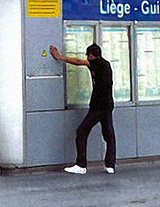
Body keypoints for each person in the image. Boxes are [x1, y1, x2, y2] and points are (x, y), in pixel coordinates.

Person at [48, 42, 115, 175]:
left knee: (81, 131)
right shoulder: (106, 64)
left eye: (88, 55)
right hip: (108, 105)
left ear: (91, 55)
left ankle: (81, 165)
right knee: (109, 135)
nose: (87, 58)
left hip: (98, 107)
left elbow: (77, 61)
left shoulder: (96, 64)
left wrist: (59, 56)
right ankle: (110, 165)